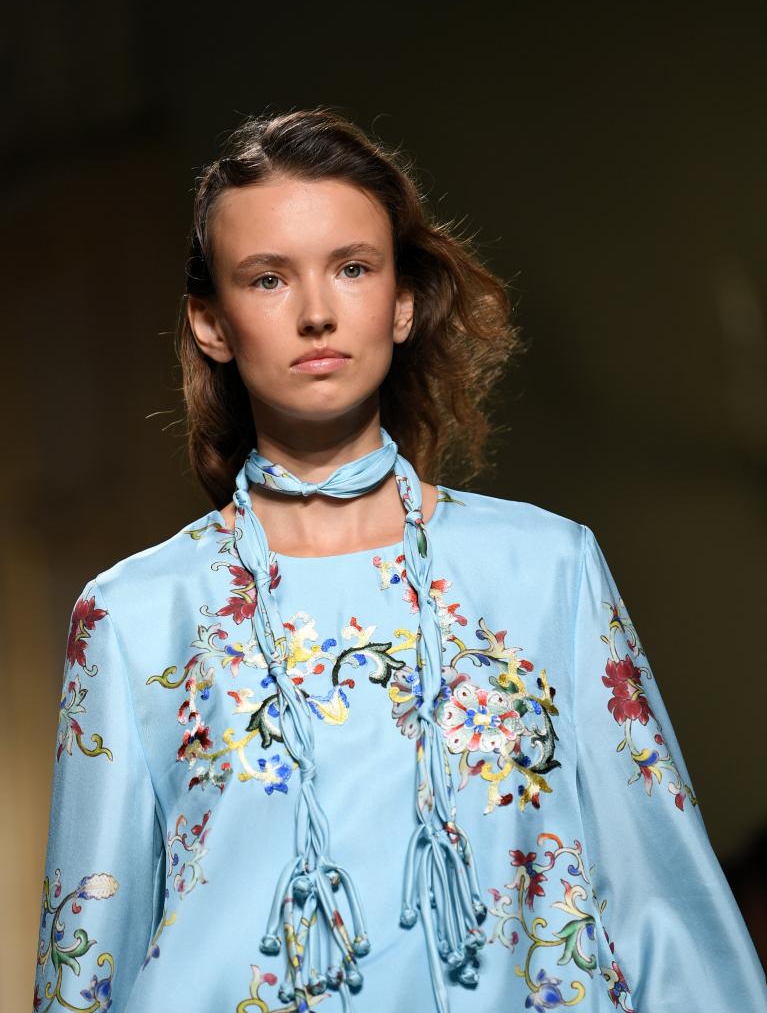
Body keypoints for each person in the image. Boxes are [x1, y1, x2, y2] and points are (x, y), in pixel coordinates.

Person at [34, 107, 767, 1013]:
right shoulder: (138, 616)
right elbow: (88, 957)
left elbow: (663, 907)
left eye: (352, 268)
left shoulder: (543, 571)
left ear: (404, 302)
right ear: (211, 323)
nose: (315, 313)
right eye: (267, 278)